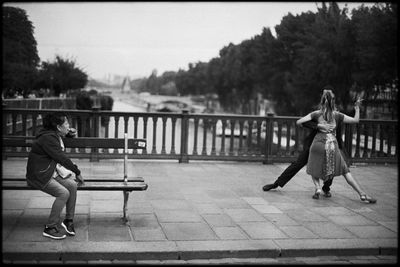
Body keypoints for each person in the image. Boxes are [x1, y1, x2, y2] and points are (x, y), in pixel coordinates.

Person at [296, 89, 376, 203]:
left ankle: (318, 188)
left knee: (314, 168)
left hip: (318, 144)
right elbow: (355, 120)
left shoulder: (316, 114)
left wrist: (318, 125)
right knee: (345, 171)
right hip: (332, 146)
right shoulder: (337, 115)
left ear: (322, 101)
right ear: (333, 102)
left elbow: (299, 122)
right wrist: (357, 108)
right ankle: (362, 194)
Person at [26, 112, 85, 240]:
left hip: (49, 171)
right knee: (63, 193)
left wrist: (67, 133)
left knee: (72, 185)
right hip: (39, 175)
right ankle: (50, 227)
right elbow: (62, 158)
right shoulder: (49, 138)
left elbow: (58, 139)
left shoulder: (52, 134)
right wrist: (77, 172)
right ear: (58, 127)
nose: (69, 126)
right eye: (66, 123)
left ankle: (68, 220)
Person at [262, 118, 343, 197]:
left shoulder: (337, 117)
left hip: (329, 147)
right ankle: (276, 183)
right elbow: (305, 122)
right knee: (297, 164)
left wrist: (340, 149)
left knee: (330, 167)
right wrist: (319, 125)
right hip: (313, 146)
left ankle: (326, 188)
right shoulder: (318, 114)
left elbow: (338, 135)